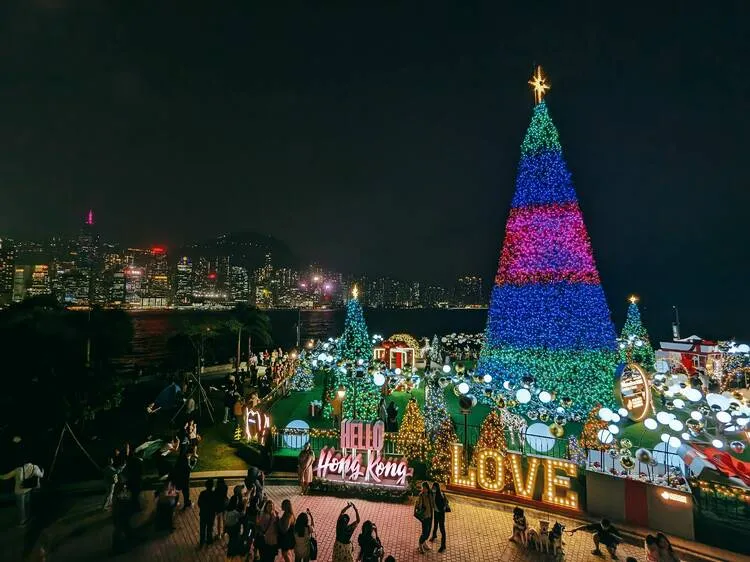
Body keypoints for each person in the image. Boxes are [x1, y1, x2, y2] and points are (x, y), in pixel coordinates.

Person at [226, 485, 247, 559]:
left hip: (229, 527)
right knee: (234, 540)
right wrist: (245, 504)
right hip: (234, 527)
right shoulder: (235, 512)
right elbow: (243, 513)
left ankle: (232, 552)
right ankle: (231, 554)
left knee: (232, 539)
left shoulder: (231, 501)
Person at [415, 481, 435, 554]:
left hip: (430, 515)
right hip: (424, 517)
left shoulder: (430, 494)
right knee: (425, 532)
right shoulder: (421, 495)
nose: (423, 489)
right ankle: (420, 545)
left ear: (427, 488)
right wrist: (418, 504)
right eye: (422, 488)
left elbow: (432, 503)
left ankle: (424, 543)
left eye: (424, 488)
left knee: (429, 531)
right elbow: (419, 506)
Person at [429, 482, 448, 552]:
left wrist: (442, 509)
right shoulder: (431, 493)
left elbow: (444, 503)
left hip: (440, 513)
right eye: (433, 487)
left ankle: (443, 545)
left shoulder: (440, 495)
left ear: (437, 488)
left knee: (442, 529)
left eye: (435, 488)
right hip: (436, 511)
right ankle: (434, 535)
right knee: (435, 524)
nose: (433, 489)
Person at [198, 478, 216, 546]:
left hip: (203, 513)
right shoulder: (214, 494)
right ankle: (209, 540)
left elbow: (199, 503)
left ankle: (201, 541)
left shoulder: (202, 493)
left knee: (202, 528)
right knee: (210, 528)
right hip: (211, 514)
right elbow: (215, 504)